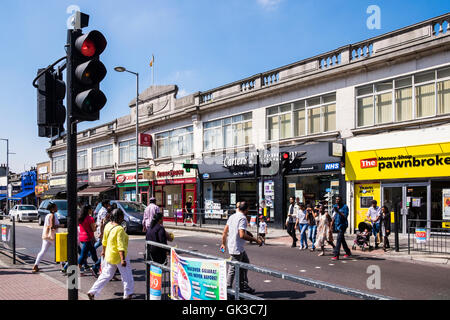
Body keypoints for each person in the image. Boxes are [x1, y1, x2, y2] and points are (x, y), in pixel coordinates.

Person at [87, 208, 134, 300]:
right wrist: (123, 259)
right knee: (127, 276)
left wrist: (103, 251)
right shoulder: (119, 229)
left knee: (105, 275)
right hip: (119, 256)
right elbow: (120, 246)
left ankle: (92, 291)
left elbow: (104, 240)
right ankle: (127, 294)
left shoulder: (108, 225)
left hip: (109, 255)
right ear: (120, 217)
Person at [220, 201, 262, 294]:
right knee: (233, 269)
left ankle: (242, 286)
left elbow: (224, 232)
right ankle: (228, 289)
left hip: (234, 246)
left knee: (245, 263)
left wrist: (223, 243)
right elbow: (242, 235)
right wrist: (255, 239)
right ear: (246, 209)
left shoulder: (232, 216)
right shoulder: (243, 218)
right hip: (237, 248)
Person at [32, 201, 64, 273]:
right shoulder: (53, 215)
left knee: (43, 251)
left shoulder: (47, 215)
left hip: (46, 236)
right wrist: (61, 225)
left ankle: (36, 265)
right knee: (60, 250)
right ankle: (63, 266)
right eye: (56, 207)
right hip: (52, 236)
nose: (57, 208)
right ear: (52, 209)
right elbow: (52, 227)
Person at [78, 204, 100, 276]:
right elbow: (93, 229)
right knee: (83, 255)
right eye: (91, 209)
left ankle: (97, 267)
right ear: (88, 210)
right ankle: (80, 271)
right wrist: (96, 225)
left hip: (82, 237)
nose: (92, 210)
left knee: (93, 253)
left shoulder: (81, 218)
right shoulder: (90, 218)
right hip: (88, 238)